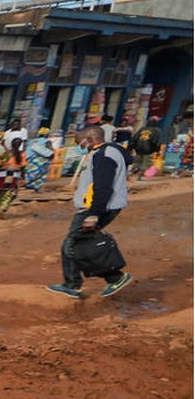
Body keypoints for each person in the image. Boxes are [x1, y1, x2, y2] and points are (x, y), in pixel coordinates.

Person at [47, 125, 134, 299]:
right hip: (101, 206)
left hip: (96, 207)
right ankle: (106, 279)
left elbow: (103, 187)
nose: (80, 146)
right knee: (84, 243)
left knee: (71, 244)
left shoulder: (103, 156)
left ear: (91, 139)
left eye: (80, 142)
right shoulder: (109, 151)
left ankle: (77, 284)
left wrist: (94, 214)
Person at [0, 140, 24, 217]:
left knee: (0, 192)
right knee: (10, 193)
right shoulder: (22, 154)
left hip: (2, 174)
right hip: (14, 175)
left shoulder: (6, 153)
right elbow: (22, 167)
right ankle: (2, 208)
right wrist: (22, 178)